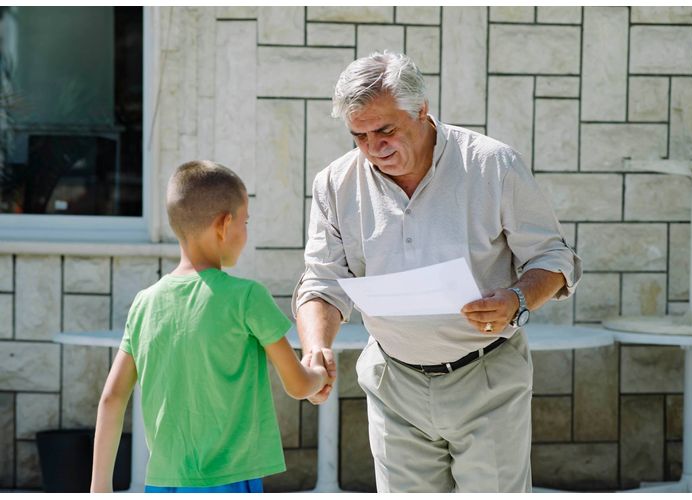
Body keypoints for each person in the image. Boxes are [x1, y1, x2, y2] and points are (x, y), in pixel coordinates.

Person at [293, 52, 582, 492]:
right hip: (394, 384)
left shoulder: (492, 165)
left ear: (422, 109)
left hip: (487, 379)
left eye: (386, 130)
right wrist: (316, 349)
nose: (374, 147)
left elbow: (554, 259)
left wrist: (516, 300)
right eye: (359, 136)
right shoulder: (335, 183)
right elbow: (322, 282)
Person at [91, 160, 331, 493]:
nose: (246, 232)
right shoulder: (247, 297)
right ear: (224, 224)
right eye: (245, 222)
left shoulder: (145, 303)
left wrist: (99, 489)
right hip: (230, 480)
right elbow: (297, 384)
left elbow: (112, 398)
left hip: (164, 484)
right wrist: (318, 371)